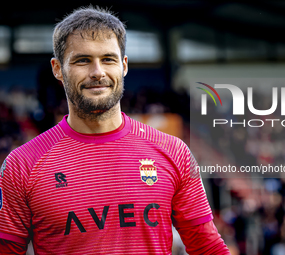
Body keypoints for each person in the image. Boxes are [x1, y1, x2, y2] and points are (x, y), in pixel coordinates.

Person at [0, 6, 230, 254]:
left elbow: (207, 246)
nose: (97, 72)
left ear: (124, 66)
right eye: (82, 60)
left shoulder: (174, 152)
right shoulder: (22, 165)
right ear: (58, 69)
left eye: (108, 59)